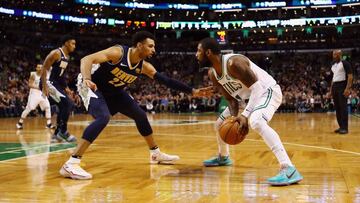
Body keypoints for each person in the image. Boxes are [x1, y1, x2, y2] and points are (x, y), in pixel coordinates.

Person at [59, 31, 211, 180]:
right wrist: (87, 78)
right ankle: (71, 163)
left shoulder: (144, 66)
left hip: (114, 91)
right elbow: (87, 59)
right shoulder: (118, 52)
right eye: (150, 46)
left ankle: (155, 153)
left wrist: (192, 91)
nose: (154, 50)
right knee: (103, 117)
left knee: (140, 115)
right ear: (139, 45)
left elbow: (166, 81)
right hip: (91, 85)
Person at [195, 38, 303, 186]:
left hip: (267, 91)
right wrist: (234, 119)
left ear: (208, 52)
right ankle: (224, 157)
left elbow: (257, 88)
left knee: (256, 121)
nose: (196, 54)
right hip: (248, 98)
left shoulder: (234, 63)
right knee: (220, 123)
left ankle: (288, 168)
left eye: (199, 51)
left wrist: (245, 116)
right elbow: (232, 101)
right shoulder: (213, 74)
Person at [41, 35, 77, 142]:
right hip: (48, 82)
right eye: (72, 43)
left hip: (56, 83)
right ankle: (63, 132)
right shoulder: (56, 53)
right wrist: (44, 86)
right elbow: (44, 68)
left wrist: (66, 88)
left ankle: (56, 134)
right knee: (68, 104)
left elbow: (60, 75)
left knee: (64, 106)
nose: (74, 46)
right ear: (66, 43)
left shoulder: (67, 57)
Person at [16, 64, 55, 129]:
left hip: (42, 94)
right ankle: (20, 123)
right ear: (36, 68)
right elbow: (30, 84)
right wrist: (38, 87)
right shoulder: (33, 74)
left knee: (47, 107)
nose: (40, 68)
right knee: (29, 108)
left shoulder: (44, 75)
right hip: (34, 94)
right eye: (38, 67)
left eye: (41, 67)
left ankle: (49, 124)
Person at [330, 50, 353, 134]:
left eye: (335, 54)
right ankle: (340, 127)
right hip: (335, 86)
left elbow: (350, 77)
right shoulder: (333, 65)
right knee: (337, 108)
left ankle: (345, 128)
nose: (333, 56)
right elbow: (333, 79)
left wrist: (347, 89)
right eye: (333, 54)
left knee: (343, 108)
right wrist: (330, 90)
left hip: (342, 86)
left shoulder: (345, 63)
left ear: (339, 55)